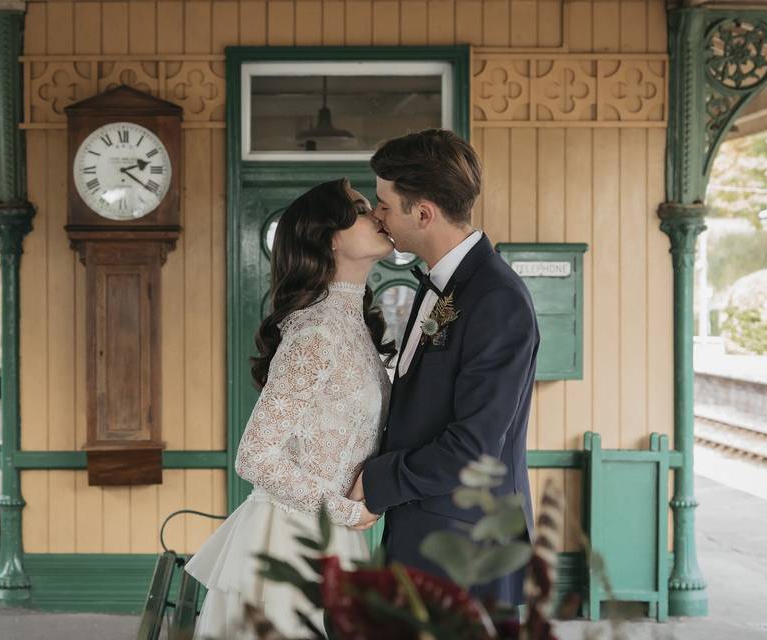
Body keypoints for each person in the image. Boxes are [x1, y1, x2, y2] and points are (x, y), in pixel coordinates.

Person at [184, 178, 394, 638]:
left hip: (332, 536)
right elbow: (254, 457)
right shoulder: (316, 334)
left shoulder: (352, 325)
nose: (376, 214)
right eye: (359, 209)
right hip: (292, 539)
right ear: (329, 236)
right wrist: (344, 512)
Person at [348, 128, 540, 606]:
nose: (377, 215)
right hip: (427, 537)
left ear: (424, 213)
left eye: (385, 204)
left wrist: (377, 482)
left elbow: (473, 449)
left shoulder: (496, 299)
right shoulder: (443, 286)